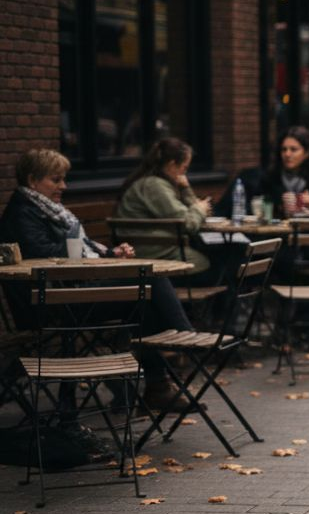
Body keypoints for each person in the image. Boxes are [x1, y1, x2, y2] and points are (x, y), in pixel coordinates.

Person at [0, 148, 197, 415]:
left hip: (70, 295)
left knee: (146, 293)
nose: (63, 186)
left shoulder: (46, 209)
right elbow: (47, 255)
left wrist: (109, 252)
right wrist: (91, 253)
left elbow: (74, 248)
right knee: (148, 283)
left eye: (63, 179)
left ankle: (155, 385)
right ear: (33, 180)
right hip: (49, 305)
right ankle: (184, 345)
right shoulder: (22, 214)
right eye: (55, 180)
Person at [114, 137, 213, 276]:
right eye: (184, 168)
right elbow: (188, 223)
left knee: (213, 255)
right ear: (172, 165)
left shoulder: (154, 182)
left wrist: (185, 188)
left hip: (154, 246)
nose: (184, 174)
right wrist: (199, 209)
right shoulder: (155, 186)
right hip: (150, 251)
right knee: (211, 265)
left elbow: (189, 215)